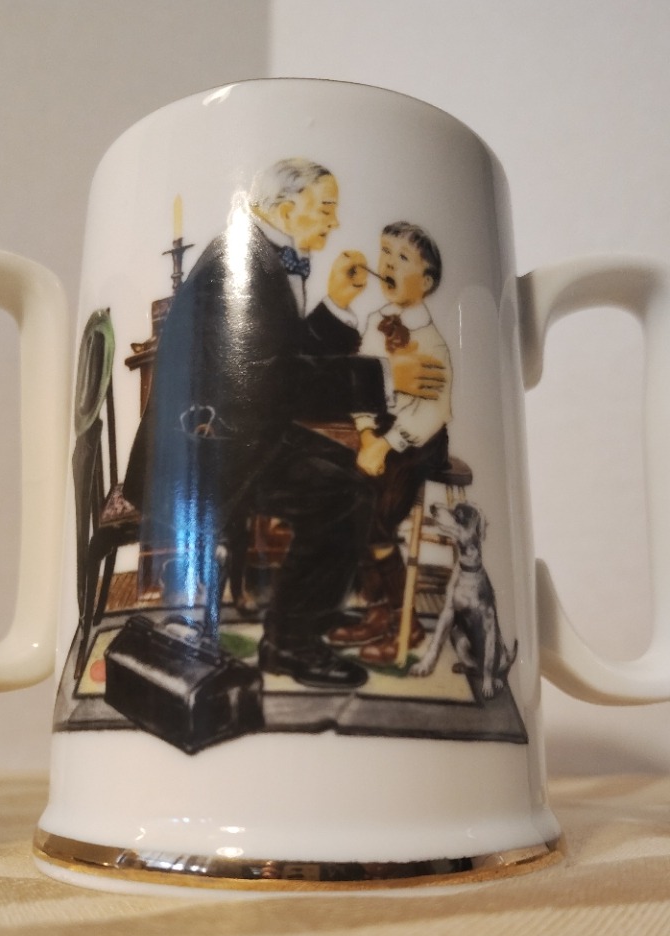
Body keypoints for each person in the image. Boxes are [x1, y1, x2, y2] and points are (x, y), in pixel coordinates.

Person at [123, 162, 447, 689]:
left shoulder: (257, 254)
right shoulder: (241, 263)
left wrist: (336, 304)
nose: (335, 221)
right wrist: (388, 374)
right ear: (286, 208)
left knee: (351, 482)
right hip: (201, 451)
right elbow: (269, 380)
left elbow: (278, 356)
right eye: (326, 209)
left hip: (241, 430)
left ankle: (297, 625)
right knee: (344, 494)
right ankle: (291, 644)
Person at [328, 222, 454, 664]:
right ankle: (377, 610)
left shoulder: (432, 342)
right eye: (384, 253)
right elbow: (361, 389)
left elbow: (431, 413)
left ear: (428, 282)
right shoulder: (374, 324)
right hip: (381, 431)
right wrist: (366, 433)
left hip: (419, 439)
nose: (387, 264)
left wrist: (385, 445)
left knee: (373, 513)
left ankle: (408, 624)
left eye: (402, 258)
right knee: (344, 496)